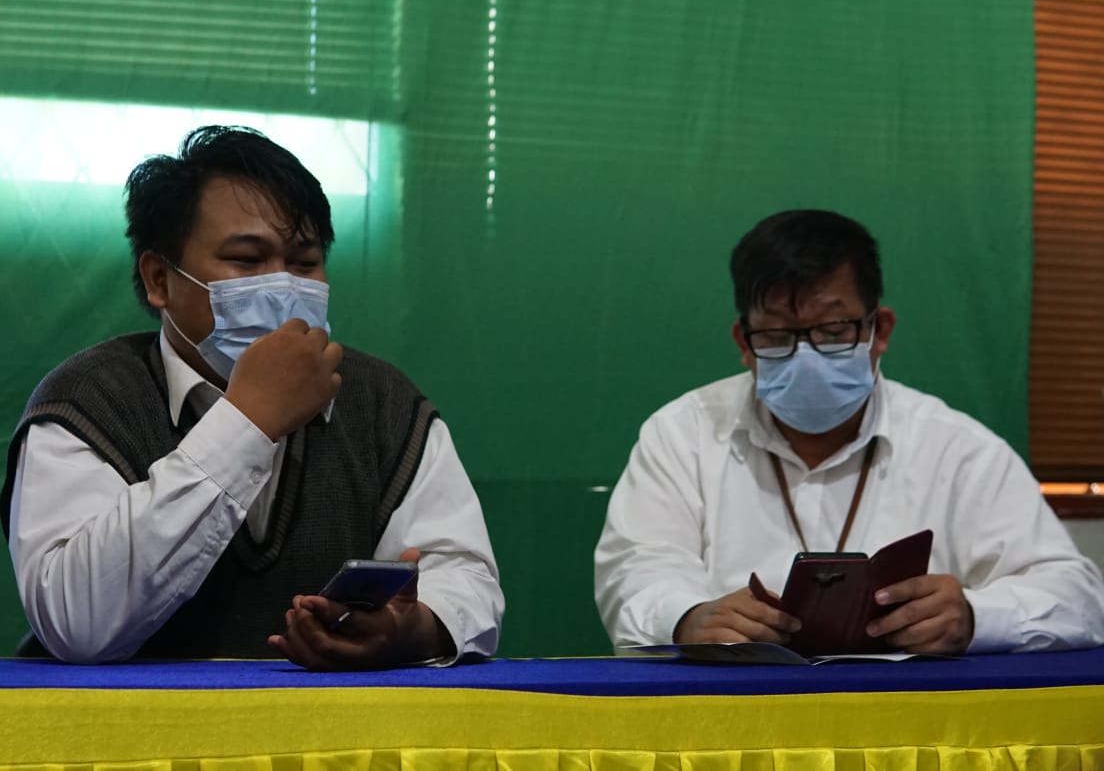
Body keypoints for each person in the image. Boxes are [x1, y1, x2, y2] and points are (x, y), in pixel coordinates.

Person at [1, 125, 504, 669]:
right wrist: (248, 421)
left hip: (331, 723)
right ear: (160, 279)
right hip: (123, 722)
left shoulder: (384, 403)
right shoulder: (84, 402)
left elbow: (468, 580)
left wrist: (412, 630)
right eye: (246, 260)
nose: (282, 286)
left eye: (304, 263)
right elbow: (76, 621)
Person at [594, 209, 1104, 655]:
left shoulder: (958, 448)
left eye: (833, 330)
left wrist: (975, 617)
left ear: (879, 331)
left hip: (908, 720)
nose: (806, 354)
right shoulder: (682, 433)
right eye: (776, 334)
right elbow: (635, 570)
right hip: (731, 714)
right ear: (744, 343)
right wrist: (686, 617)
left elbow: (1078, 597)